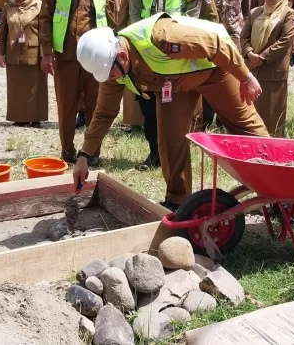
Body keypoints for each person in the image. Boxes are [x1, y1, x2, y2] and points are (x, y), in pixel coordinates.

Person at [72, 14, 269, 211]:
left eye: (110, 75)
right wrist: (84, 155)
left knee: (245, 127)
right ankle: (179, 201)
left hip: (216, 67)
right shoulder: (111, 68)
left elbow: (216, 45)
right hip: (175, 84)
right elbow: (104, 113)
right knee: (169, 137)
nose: (110, 80)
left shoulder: (163, 37)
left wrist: (245, 77)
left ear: (122, 57)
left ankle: (277, 192)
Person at [129, 0, 216, 170]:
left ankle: (179, 153)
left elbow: (193, 13)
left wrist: (173, 42)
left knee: (176, 106)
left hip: (177, 51)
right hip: (147, 50)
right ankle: (155, 153)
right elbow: (135, 11)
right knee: (148, 105)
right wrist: (142, 41)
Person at [39, 0, 118, 165]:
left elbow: (112, 15)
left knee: (96, 104)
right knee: (66, 104)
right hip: (65, 53)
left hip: (97, 54)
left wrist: (115, 47)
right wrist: (46, 53)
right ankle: (67, 151)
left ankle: (92, 152)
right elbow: (45, 16)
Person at [241, 0, 294, 137]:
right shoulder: (255, 12)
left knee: (272, 113)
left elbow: (285, 41)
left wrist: (262, 57)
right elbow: (243, 37)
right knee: (250, 112)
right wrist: (250, 53)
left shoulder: (288, 14)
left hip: (272, 70)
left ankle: (272, 148)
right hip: (251, 68)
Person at [0, 0, 48, 127]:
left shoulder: (39, 5)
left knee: (36, 85)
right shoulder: (9, 6)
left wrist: (46, 54)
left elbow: (45, 32)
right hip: (13, 51)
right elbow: (3, 32)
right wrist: (1, 53)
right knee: (16, 85)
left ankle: (36, 116)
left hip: (34, 52)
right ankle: (19, 117)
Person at [117, 0, 150, 134]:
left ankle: (150, 121)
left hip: (151, 42)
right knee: (132, 83)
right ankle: (133, 121)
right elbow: (122, 18)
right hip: (132, 42)